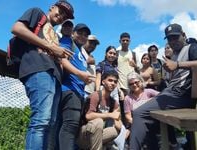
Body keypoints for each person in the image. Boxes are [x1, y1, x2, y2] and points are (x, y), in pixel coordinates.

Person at [129, 23, 197, 150]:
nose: (172, 41)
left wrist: (177, 65)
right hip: (171, 94)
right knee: (148, 117)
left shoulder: (192, 48)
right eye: (169, 38)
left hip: (180, 95)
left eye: (175, 37)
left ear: (184, 35)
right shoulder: (175, 55)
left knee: (140, 113)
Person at [10, 1, 74, 149]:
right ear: (52, 7)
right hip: (39, 70)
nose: (62, 16)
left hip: (55, 77)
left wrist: (60, 55)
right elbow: (16, 28)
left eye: (66, 16)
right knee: (41, 121)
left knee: (50, 124)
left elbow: (52, 52)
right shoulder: (37, 13)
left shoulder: (55, 35)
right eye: (61, 11)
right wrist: (49, 46)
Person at [59, 23, 94, 150]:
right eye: (80, 33)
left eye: (86, 35)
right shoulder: (67, 41)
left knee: (71, 126)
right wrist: (79, 74)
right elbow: (62, 58)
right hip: (69, 89)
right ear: (73, 33)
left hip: (78, 92)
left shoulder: (80, 51)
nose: (83, 36)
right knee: (70, 125)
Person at [78, 70, 123, 150]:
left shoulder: (113, 102)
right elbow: (88, 116)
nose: (112, 83)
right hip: (84, 134)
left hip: (98, 134)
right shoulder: (95, 95)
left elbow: (118, 126)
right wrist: (110, 115)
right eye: (110, 80)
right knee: (98, 121)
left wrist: (118, 120)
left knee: (114, 131)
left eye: (115, 82)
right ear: (103, 82)